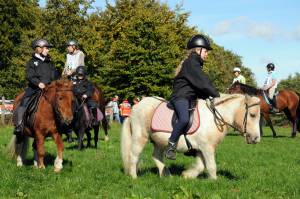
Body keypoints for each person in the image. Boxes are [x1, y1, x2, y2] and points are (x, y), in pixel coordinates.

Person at [165, 34, 220, 160]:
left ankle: (191, 146)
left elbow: (198, 86)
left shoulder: (195, 62)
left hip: (190, 98)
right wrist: (216, 94)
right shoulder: (191, 62)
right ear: (198, 50)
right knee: (184, 119)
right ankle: (171, 145)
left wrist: (207, 96)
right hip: (180, 97)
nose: (207, 54)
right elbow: (202, 82)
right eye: (206, 51)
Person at [14, 38, 59, 136]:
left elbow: (55, 76)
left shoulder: (50, 62)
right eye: (46, 48)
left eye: (48, 48)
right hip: (34, 88)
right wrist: (38, 83)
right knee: (24, 102)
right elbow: (30, 76)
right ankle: (19, 124)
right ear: (39, 49)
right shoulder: (31, 62)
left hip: (49, 89)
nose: (48, 50)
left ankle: (62, 124)